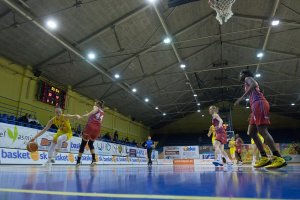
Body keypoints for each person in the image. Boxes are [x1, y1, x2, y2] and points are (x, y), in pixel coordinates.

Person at [234, 69, 287, 169]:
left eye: (240, 74)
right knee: (251, 132)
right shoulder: (246, 83)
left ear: (245, 74)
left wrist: (241, 98)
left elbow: (253, 84)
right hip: (255, 107)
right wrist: (252, 112)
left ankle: (278, 158)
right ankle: (264, 158)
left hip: (260, 104)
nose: (239, 76)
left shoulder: (248, 78)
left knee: (262, 130)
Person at [76, 100, 104, 167]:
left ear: (97, 104)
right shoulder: (103, 112)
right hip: (97, 129)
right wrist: (90, 117)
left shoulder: (96, 107)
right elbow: (99, 120)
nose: (93, 105)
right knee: (90, 143)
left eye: (94, 104)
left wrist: (83, 116)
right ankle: (94, 160)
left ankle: (78, 161)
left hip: (90, 127)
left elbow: (93, 112)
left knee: (83, 143)